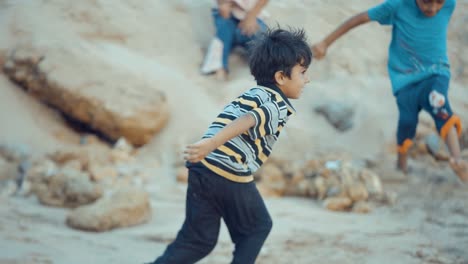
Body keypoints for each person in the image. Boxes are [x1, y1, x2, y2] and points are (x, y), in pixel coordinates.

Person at [148, 27, 312, 264]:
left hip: (202, 166)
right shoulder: (277, 104)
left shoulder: (254, 93)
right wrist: (212, 143)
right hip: (227, 167)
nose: (307, 80)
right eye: (303, 72)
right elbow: (251, 119)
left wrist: (207, 147)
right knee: (257, 227)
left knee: (198, 240)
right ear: (281, 77)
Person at [311, 0, 468, 182]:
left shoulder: (449, 4)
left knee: (438, 101)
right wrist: (325, 42)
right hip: (404, 79)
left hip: (436, 72)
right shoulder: (398, 5)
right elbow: (359, 18)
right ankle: (401, 167)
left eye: (438, 2)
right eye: (426, 2)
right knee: (407, 122)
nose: (433, 9)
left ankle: (457, 161)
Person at [200, 0, 269, 81]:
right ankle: (220, 67)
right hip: (228, 16)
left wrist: (251, 16)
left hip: (251, 14)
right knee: (223, 30)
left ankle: (261, 66)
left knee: (260, 36)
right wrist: (224, 5)